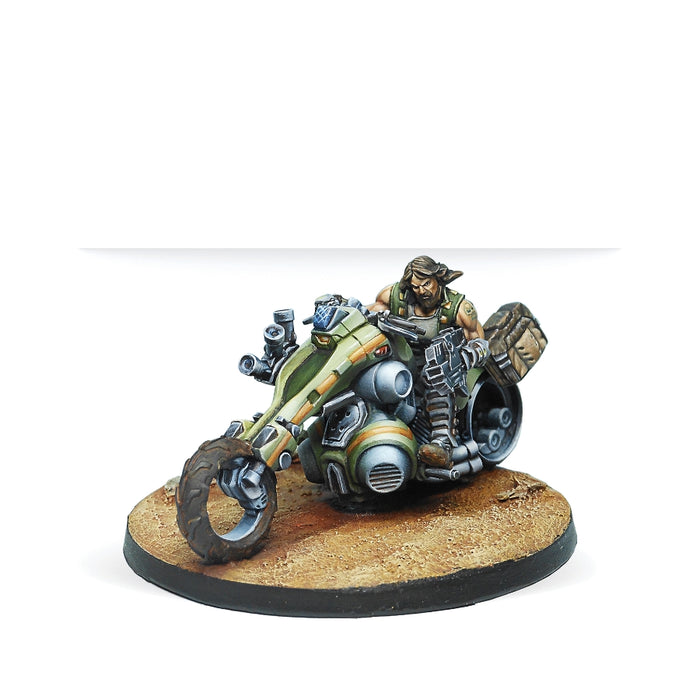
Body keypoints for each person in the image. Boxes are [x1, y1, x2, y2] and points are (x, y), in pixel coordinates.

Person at [368, 255, 486, 468]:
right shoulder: (394, 296)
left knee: (438, 376)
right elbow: (367, 313)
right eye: (416, 287)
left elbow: (480, 343)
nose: (422, 291)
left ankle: (442, 444)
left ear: (438, 278)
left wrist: (464, 358)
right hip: (400, 360)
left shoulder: (460, 309)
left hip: (438, 367)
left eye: (426, 284)